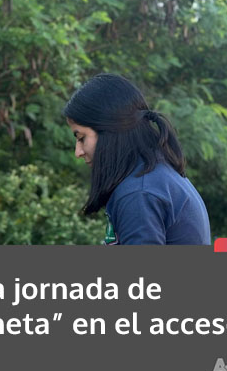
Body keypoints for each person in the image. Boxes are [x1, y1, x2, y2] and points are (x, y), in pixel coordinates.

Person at [64, 73, 210, 245]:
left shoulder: (139, 193)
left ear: (109, 131)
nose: (78, 152)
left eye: (81, 138)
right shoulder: (155, 176)